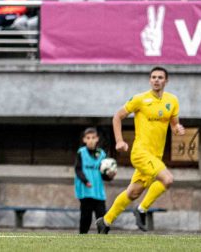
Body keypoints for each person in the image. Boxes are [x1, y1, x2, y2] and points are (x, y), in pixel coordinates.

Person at [97, 67, 185, 234]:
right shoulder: (140, 99)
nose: (156, 80)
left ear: (166, 81)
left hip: (155, 156)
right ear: (149, 80)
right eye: (153, 77)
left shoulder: (172, 100)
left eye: (160, 77)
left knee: (133, 192)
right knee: (168, 179)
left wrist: (178, 129)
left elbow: (174, 124)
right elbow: (117, 116)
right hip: (140, 153)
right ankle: (142, 210)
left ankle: (105, 221)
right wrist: (119, 141)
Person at [75, 128, 114, 234]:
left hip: (98, 191)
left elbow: (104, 173)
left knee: (102, 215)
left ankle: (103, 236)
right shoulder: (81, 153)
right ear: (84, 140)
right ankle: (83, 236)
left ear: (97, 139)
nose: (91, 140)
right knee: (86, 216)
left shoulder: (101, 154)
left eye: (93, 138)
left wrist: (110, 176)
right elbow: (78, 169)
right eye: (88, 138)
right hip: (86, 191)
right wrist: (85, 180)